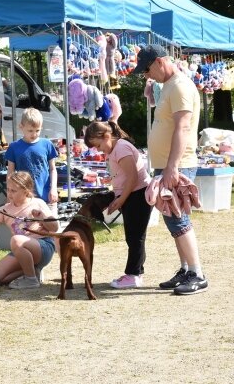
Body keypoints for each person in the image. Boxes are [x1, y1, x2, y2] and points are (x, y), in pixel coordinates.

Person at [132, 44, 207, 295]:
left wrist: (173, 167)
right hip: (168, 164)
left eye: (147, 69)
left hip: (177, 164)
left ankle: (197, 273)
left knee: (178, 218)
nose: (146, 75)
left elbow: (183, 128)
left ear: (160, 61)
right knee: (172, 218)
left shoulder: (180, 86)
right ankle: (186, 269)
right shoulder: (169, 86)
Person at [84, 120, 152, 289]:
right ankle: (135, 272)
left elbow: (133, 177)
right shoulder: (116, 149)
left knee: (135, 236)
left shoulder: (121, 148)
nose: (99, 150)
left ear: (107, 136)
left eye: (99, 146)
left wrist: (120, 199)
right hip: (131, 195)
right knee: (133, 236)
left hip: (137, 195)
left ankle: (133, 274)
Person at [0, 171, 58, 289]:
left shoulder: (38, 203)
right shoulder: (5, 209)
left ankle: (31, 280)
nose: (9, 194)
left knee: (16, 240)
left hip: (43, 246)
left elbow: (55, 227)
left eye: (14, 190)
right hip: (20, 250)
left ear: (26, 190)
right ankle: (33, 271)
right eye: (8, 189)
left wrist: (42, 217)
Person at [5, 108, 59, 206]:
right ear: (21, 127)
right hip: (23, 198)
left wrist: (54, 189)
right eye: (30, 130)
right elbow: (10, 173)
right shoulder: (14, 147)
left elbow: (52, 169)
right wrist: (9, 193)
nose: (34, 134)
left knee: (49, 221)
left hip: (46, 196)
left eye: (37, 130)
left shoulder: (47, 144)